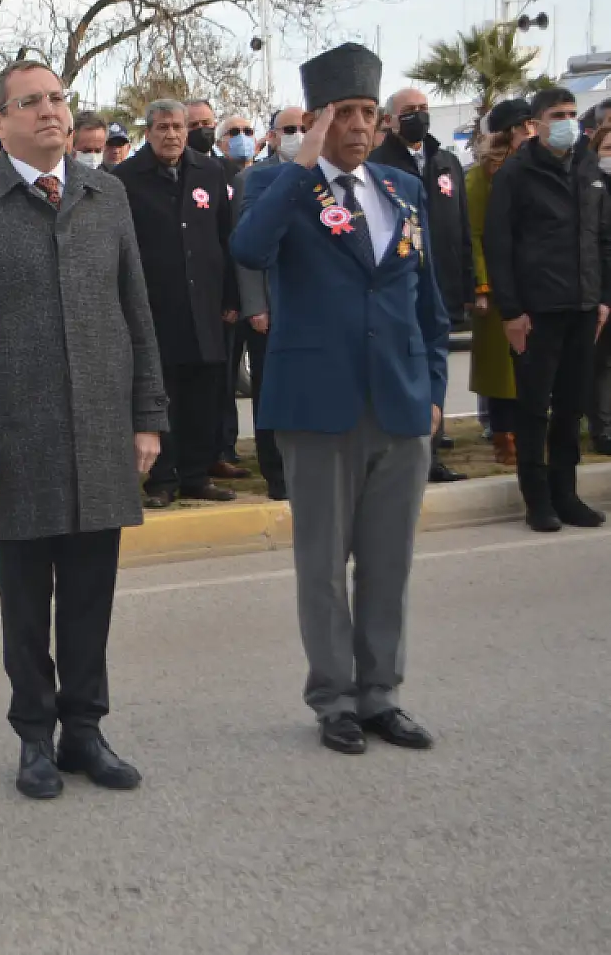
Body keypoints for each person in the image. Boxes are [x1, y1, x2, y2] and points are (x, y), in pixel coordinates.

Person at [0, 59, 166, 799]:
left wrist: (148, 416)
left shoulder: (106, 194)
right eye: (30, 102)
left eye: (58, 98)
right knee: (27, 604)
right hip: (13, 440)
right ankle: (34, 735)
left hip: (100, 431)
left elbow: (137, 311)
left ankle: (84, 731)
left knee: (91, 596)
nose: (50, 111)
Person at [230, 43, 451, 756]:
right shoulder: (278, 184)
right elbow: (250, 249)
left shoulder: (401, 188)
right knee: (323, 565)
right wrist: (302, 164)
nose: (358, 126)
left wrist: (434, 389)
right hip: (319, 405)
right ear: (321, 118)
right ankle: (335, 699)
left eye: (367, 113)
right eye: (344, 113)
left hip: (401, 403)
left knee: (389, 563)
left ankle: (382, 694)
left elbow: (427, 300)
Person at [483, 87, 611, 532]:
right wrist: (511, 311)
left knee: (572, 406)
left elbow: (603, 237)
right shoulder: (515, 173)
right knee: (534, 408)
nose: (568, 122)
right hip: (536, 311)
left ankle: (566, 494)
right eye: (558, 115)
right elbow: (499, 245)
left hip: (584, 306)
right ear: (535, 123)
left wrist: (603, 298)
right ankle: (537, 500)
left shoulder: (588, 166)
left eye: (573, 114)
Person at [113, 101, 241, 507]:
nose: (171, 135)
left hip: (206, 303)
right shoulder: (125, 179)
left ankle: (195, 475)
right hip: (155, 304)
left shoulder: (210, 171)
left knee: (204, 393)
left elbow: (226, 236)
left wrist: (231, 296)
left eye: (178, 127)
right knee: (162, 393)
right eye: (163, 127)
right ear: (148, 132)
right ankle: (162, 480)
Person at [371, 87, 476, 484]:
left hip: (442, 282)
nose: (418, 115)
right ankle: (401, 453)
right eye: (409, 110)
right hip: (402, 284)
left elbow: (462, 227)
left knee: (435, 366)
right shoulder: (378, 165)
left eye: (423, 108)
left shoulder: (445, 162)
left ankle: (433, 449)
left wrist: (469, 284)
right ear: (390, 120)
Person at [229, 109, 303, 499]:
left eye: (304, 128)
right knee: (271, 391)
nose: (298, 135)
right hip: (270, 308)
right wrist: (255, 305)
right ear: (272, 136)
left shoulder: (326, 176)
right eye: (290, 129)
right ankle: (276, 472)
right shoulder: (253, 178)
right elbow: (243, 246)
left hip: (312, 309)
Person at [466, 99, 534, 467]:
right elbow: (474, 234)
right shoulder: (482, 176)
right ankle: (503, 435)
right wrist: (481, 284)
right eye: (525, 125)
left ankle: (530, 432)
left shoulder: (539, 166)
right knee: (500, 367)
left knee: (532, 363)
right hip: (497, 283)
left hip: (536, 280)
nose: (531, 131)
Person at [587, 121, 611, 456]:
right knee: (602, 363)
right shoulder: (591, 187)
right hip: (600, 285)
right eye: (608, 149)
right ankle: (602, 429)